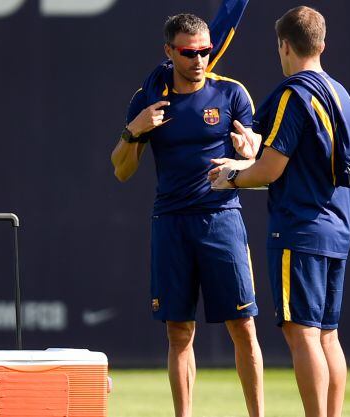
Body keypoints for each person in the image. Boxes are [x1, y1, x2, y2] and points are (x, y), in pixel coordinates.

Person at [110, 9, 264, 417]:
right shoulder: (149, 98)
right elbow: (122, 170)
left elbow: (256, 156)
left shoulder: (231, 94)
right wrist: (135, 130)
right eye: (189, 53)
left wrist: (249, 156)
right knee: (179, 332)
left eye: (205, 52)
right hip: (172, 223)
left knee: (244, 327)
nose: (198, 61)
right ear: (169, 52)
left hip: (221, 219)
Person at [210, 6, 350, 417]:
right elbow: (294, 157)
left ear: (284, 45)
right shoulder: (341, 93)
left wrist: (233, 177)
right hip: (337, 227)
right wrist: (250, 156)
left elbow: (272, 170)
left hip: (300, 229)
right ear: (322, 44)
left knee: (302, 334)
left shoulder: (294, 93)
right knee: (328, 335)